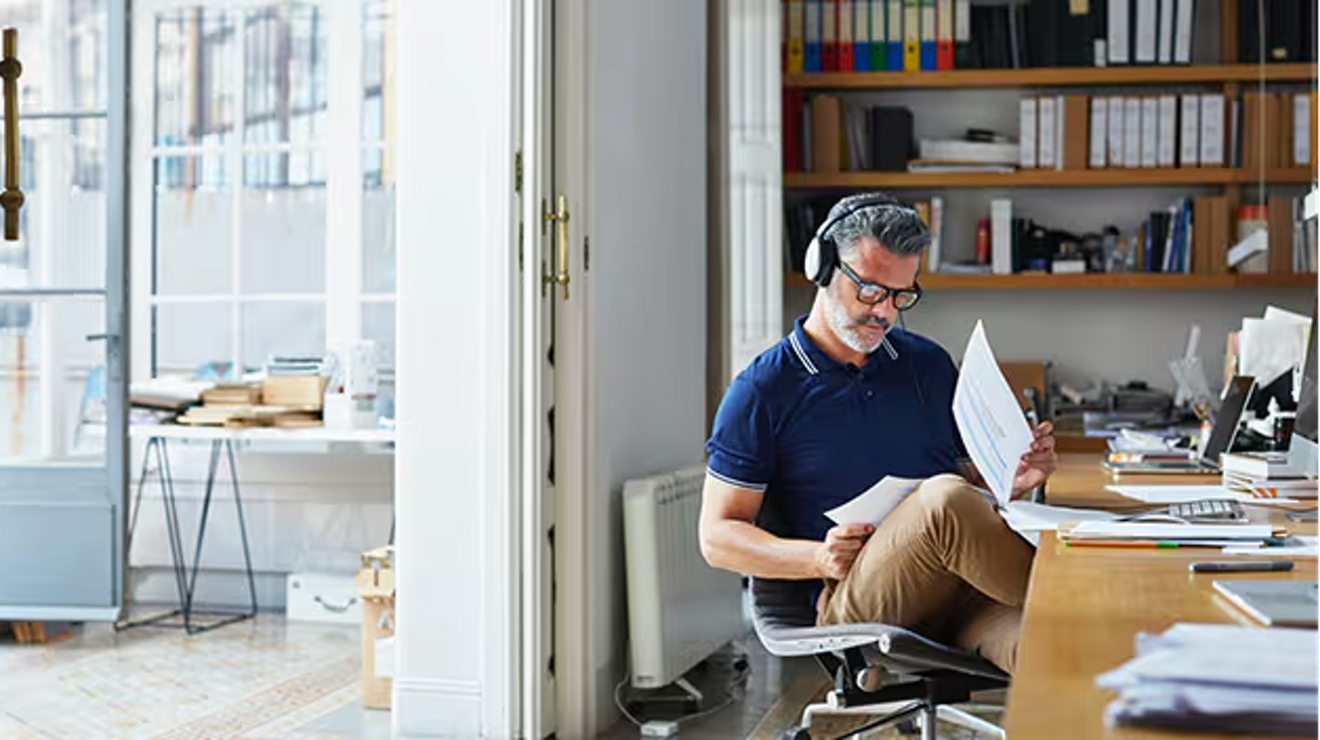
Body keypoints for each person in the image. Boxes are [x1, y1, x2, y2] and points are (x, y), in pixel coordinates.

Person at [698, 192, 1056, 675]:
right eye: (869, 289)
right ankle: (1081, 591)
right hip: (862, 605)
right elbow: (717, 538)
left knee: (1067, 651)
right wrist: (818, 558)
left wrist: (1013, 477)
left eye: (900, 295)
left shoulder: (927, 366)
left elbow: (975, 487)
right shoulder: (762, 390)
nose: (884, 312)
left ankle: (1091, 611)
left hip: (966, 597)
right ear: (822, 268)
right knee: (943, 501)